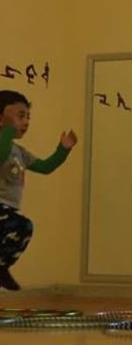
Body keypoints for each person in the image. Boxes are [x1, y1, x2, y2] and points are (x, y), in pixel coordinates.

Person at [0, 90, 77, 290]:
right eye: (20, 116)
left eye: (28, 117)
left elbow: (45, 167)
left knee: (23, 229)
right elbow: (1, 154)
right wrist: (7, 129)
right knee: (21, 225)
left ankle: (1, 266)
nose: (25, 122)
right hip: (1, 209)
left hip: (8, 211)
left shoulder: (20, 152)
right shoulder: (4, 145)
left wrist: (63, 149)